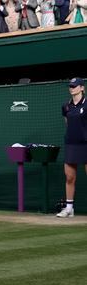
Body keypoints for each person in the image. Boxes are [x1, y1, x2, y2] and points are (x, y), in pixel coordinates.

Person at [58, 77, 87, 218]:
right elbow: (68, 123)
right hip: (71, 144)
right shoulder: (66, 106)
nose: (72, 88)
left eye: (75, 86)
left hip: (86, 144)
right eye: (70, 86)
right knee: (69, 177)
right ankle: (69, 209)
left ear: (82, 88)